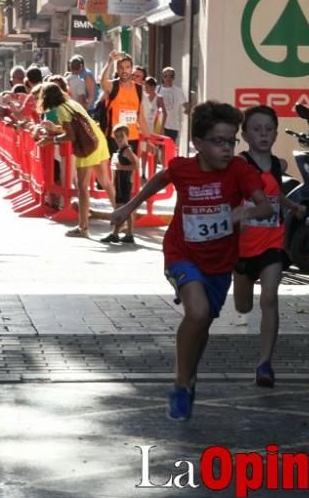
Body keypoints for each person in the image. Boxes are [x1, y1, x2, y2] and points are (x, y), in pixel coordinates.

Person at [109, 101, 273, 421]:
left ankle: (190, 374)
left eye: (231, 141)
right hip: (181, 253)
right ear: (198, 144)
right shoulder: (185, 168)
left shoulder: (239, 170)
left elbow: (265, 207)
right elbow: (161, 178)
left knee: (203, 323)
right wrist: (129, 207)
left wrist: (246, 211)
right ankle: (181, 384)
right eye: (219, 141)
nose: (227, 149)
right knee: (196, 312)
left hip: (220, 262)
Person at [233, 106, 306, 387]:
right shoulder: (240, 165)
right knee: (244, 305)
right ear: (245, 134)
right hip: (243, 247)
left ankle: (265, 364)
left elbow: (274, 197)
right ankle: (241, 284)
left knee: (270, 299)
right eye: (256, 129)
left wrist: (294, 206)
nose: (263, 134)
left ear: (276, 133)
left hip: (272, 241)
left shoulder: (278, 165)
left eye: (268, 129)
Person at [37, 82, 115, 238]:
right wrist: (55, 129)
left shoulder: (60, 110)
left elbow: (70, 136)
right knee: (106, 182)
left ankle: (83, 228)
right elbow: (75, 127)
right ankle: (122, 217)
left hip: (86, 147)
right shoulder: (71, 103)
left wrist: (51, 140)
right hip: (97, 139)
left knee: (82, 188)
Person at [98, 51, 148, 154]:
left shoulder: (138, 89)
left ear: (132, 69)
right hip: (115, 138)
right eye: (121, 67)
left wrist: (149, 139)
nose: (124, 71)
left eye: (127, 67)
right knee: (116, 168)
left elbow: (141, 118)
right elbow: (103, 81)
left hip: (133, 137)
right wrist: (110, 62)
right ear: (117, 69)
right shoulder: (113, 86)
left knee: (130, 169)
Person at [101, 124, 139, 244]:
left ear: (127, 136)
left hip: (124, 183)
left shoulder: (127, 150)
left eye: (122, 136)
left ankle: (116, 233)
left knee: (121, 208)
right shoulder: (120, 150)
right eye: (117, 136)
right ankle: (127, 233)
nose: (119, 139)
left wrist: (121, 167)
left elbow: (135, 166)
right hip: (120, 183)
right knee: (124, 208)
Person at [157, 66, 188, 145]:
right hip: (159, 125)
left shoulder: (178, 91)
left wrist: (188, 110)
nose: (168, 78)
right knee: (158, 149)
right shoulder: (157, 89)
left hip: (173, 126)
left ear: (174, 77)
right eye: (165, 76)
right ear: (162, 77)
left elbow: (186, 105)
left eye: (171, 76)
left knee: (170, 149)